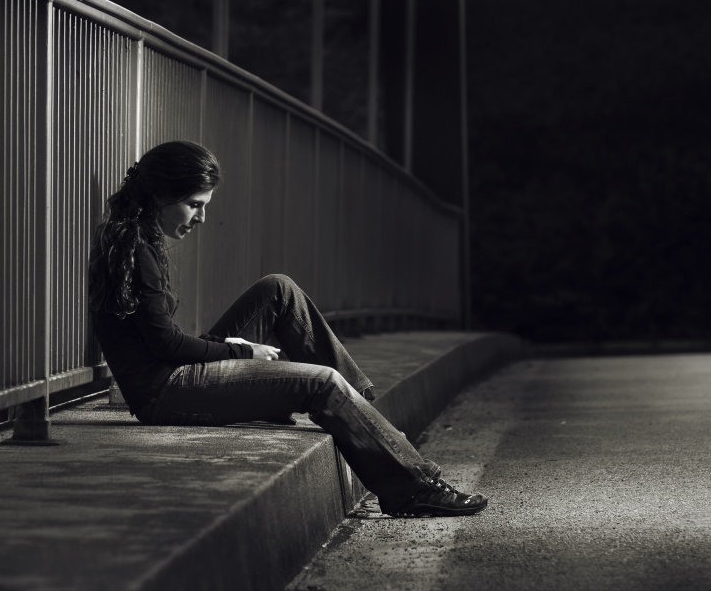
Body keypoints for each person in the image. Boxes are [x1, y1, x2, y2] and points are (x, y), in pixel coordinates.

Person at [87, 140, 487, 517]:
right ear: (161, 195)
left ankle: (363, 410)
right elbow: (165, 344)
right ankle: (412, 488)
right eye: (194, 205)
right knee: (323, 383)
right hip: (164, 392)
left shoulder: (137, 237)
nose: (202, 218)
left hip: (172, 373)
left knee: (278, 289)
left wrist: (229, 345)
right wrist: (243, 350)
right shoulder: (135, 251)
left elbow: (159, 340)